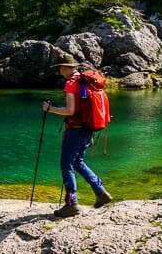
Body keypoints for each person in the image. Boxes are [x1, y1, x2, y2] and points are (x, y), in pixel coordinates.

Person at [42, 51, 113, 218]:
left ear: (66, 68)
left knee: (66, 164)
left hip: (75, 130)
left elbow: (70, 110)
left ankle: (71, 204)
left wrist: (50, 109)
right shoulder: (86, 81)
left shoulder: (72, 84)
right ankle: (101, 192)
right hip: (89, 127)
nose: (59, 71)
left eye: (60, 67)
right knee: (78, 162)